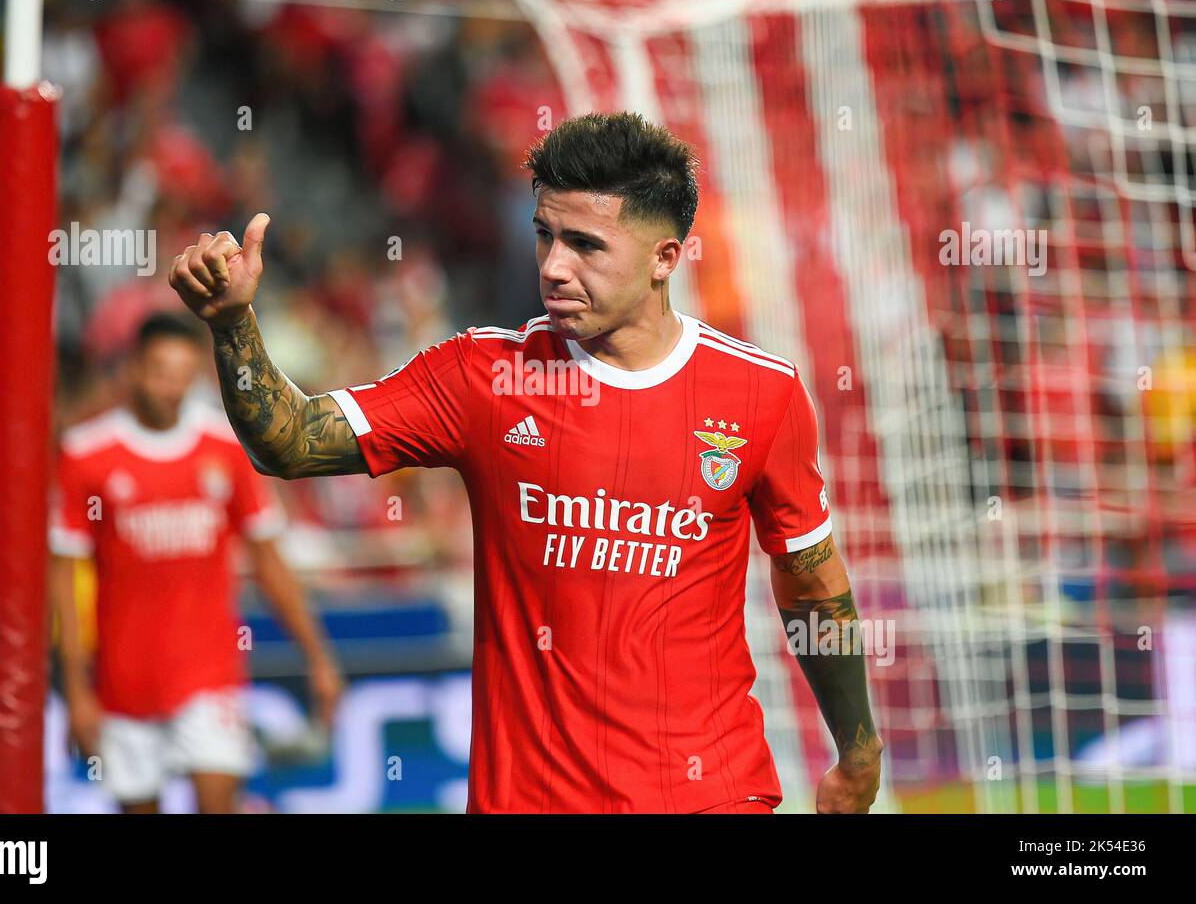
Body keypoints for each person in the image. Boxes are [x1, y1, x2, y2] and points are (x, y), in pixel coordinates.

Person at [168, 111, 882, 813]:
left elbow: (811, 584)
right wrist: (233, 326)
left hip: (712, 794)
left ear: (666, 257)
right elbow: (290, 440)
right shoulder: (483, 376)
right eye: (543, 236)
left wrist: (858, 750)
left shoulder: (763, 393)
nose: (553, 267)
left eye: (585, 245)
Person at [49, 312, 343, 813]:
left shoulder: (225, 449)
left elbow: (268, 561)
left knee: (218, 799)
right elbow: (64, 581)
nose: (172, 387)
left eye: (183, 375)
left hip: (210, 676)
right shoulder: (86, 455)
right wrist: (76, 692)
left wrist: (317, 656)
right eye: (161, 371)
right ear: (134, 369)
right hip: (124, 684)